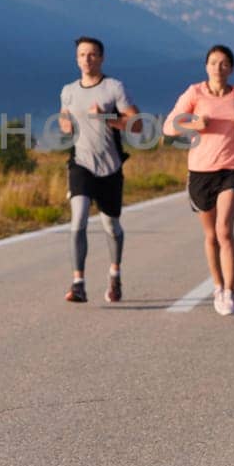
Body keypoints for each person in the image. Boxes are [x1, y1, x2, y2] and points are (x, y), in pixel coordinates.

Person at [164, 45, 234, 315]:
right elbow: (169, 126)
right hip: (201, 171)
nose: (219, 67)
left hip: (232, 168)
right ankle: (217, 286)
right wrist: (194, 124)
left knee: (224, 230)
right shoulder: (194, 93)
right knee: (210, 235)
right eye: (214, 62)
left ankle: (230, 292)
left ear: (232, 68)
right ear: (206, 67)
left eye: (225, 63)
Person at [57, 36, 139, 303]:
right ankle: (78, 283)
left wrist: (106, 116)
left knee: (111, 224)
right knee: (78, 219)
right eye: (82, 55)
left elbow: (136, 124)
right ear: (76, 58)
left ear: (101, 58)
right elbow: (63, 117)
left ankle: (115, 274)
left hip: (110, 166)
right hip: (80, 163)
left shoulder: (114, 88)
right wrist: (65, 124)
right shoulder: (68, 90)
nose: (86, 59)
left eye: (92, 55)